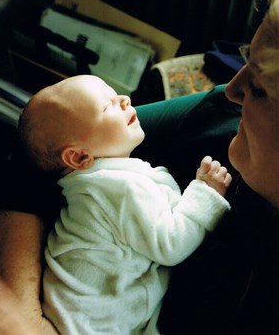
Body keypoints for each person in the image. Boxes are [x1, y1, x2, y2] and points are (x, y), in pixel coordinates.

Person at [0, 0, 278, 334]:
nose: (232, 88)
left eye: (261, 88)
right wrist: (24, 322)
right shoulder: (214, 117)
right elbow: (26, 167)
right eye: (246, 58)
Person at [16, 74, 231, 335]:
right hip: (87, 325)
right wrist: (206, 194)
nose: (124, 99)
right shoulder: (118, 189)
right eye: (107, 106)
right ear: (79, 155)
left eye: (115, 92)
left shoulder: (95, 186)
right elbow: (171, 244)